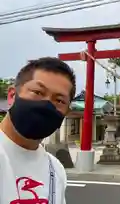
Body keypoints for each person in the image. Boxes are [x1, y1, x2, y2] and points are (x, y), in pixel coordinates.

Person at [0, 57, 76, 203]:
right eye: (37, 92)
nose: (46, 104)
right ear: (12, 95)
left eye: (59, 101)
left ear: (66, 112)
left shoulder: (55, 169)